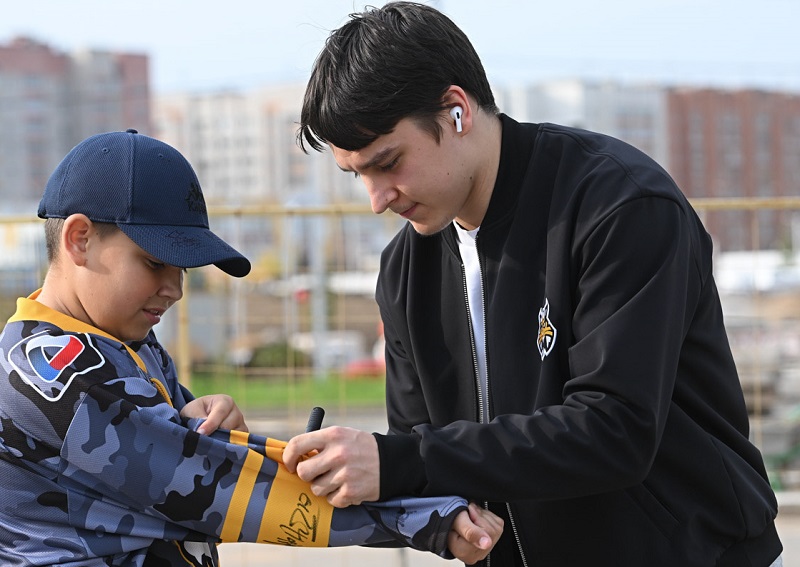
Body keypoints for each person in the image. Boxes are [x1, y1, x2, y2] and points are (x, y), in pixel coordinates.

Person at [283, 2, 784, 566]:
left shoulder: (618, 205)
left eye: (389, 162)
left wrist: (401, 461)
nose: (377, 200)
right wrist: (440, 519)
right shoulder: (405, 269)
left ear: (455, 111)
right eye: (358, 176)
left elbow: (614, 429)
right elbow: (429, 449)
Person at [0, 129, 503, 566]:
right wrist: (427, 516)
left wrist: (200, 425)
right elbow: (224, 487)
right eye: (155, 262)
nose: (175, 288)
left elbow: (194, 458)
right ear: (80, 239)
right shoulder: (52, 374)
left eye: (183, 269)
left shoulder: (120, 344)